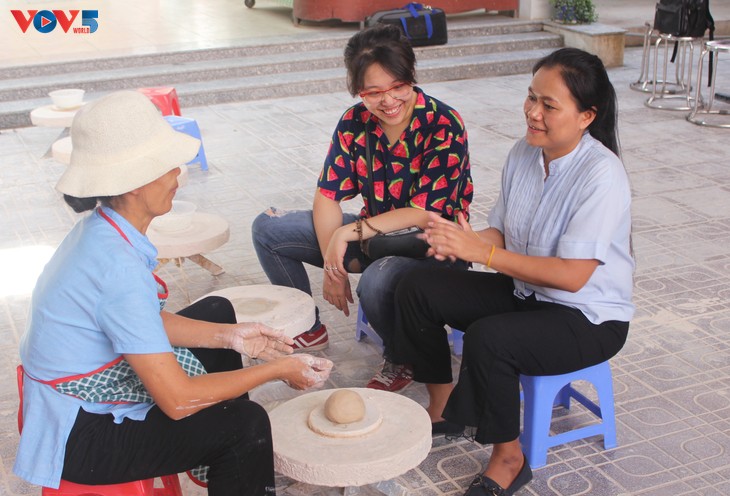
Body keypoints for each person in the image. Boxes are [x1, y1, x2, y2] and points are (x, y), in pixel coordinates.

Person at [14, 91, 333, 495]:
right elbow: (177, 400)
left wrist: (232, 337)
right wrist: (275, 369)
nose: (176, 176)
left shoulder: (103, 230)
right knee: (244, 424)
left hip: (78, 391)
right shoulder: (117, 266)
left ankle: (210, 457)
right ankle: (223, 452)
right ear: (130, 182)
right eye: (165, 167)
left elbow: (139, 317)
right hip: (81, 434)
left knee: (218, 311)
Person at [392, 47, 634, 496]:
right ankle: (444, 411)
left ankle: (509, 457)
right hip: (527, 293)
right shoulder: (524, 153)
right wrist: (458, 239)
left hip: (586, 317)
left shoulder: (602, 175)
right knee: (417, 283)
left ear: (586, 117)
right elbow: (502, 232)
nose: (532, 112)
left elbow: (571, 276)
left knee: (492, 339)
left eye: (548, 105)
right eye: (530, 97)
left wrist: (480, 255)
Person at [251, 24, 474, 392]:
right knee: (269, 228)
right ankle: (309, 329)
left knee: (378, 278)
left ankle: (402, 357)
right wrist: (333, 265)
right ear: (358, 91)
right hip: (375, 239)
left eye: (397, 87)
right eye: (373, 92)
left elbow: (424, 212)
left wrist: (346, 234)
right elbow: (327, 195)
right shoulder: (355, 121)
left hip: (434, 248)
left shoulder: (442, 123)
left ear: (411, 77)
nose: (388, 101)